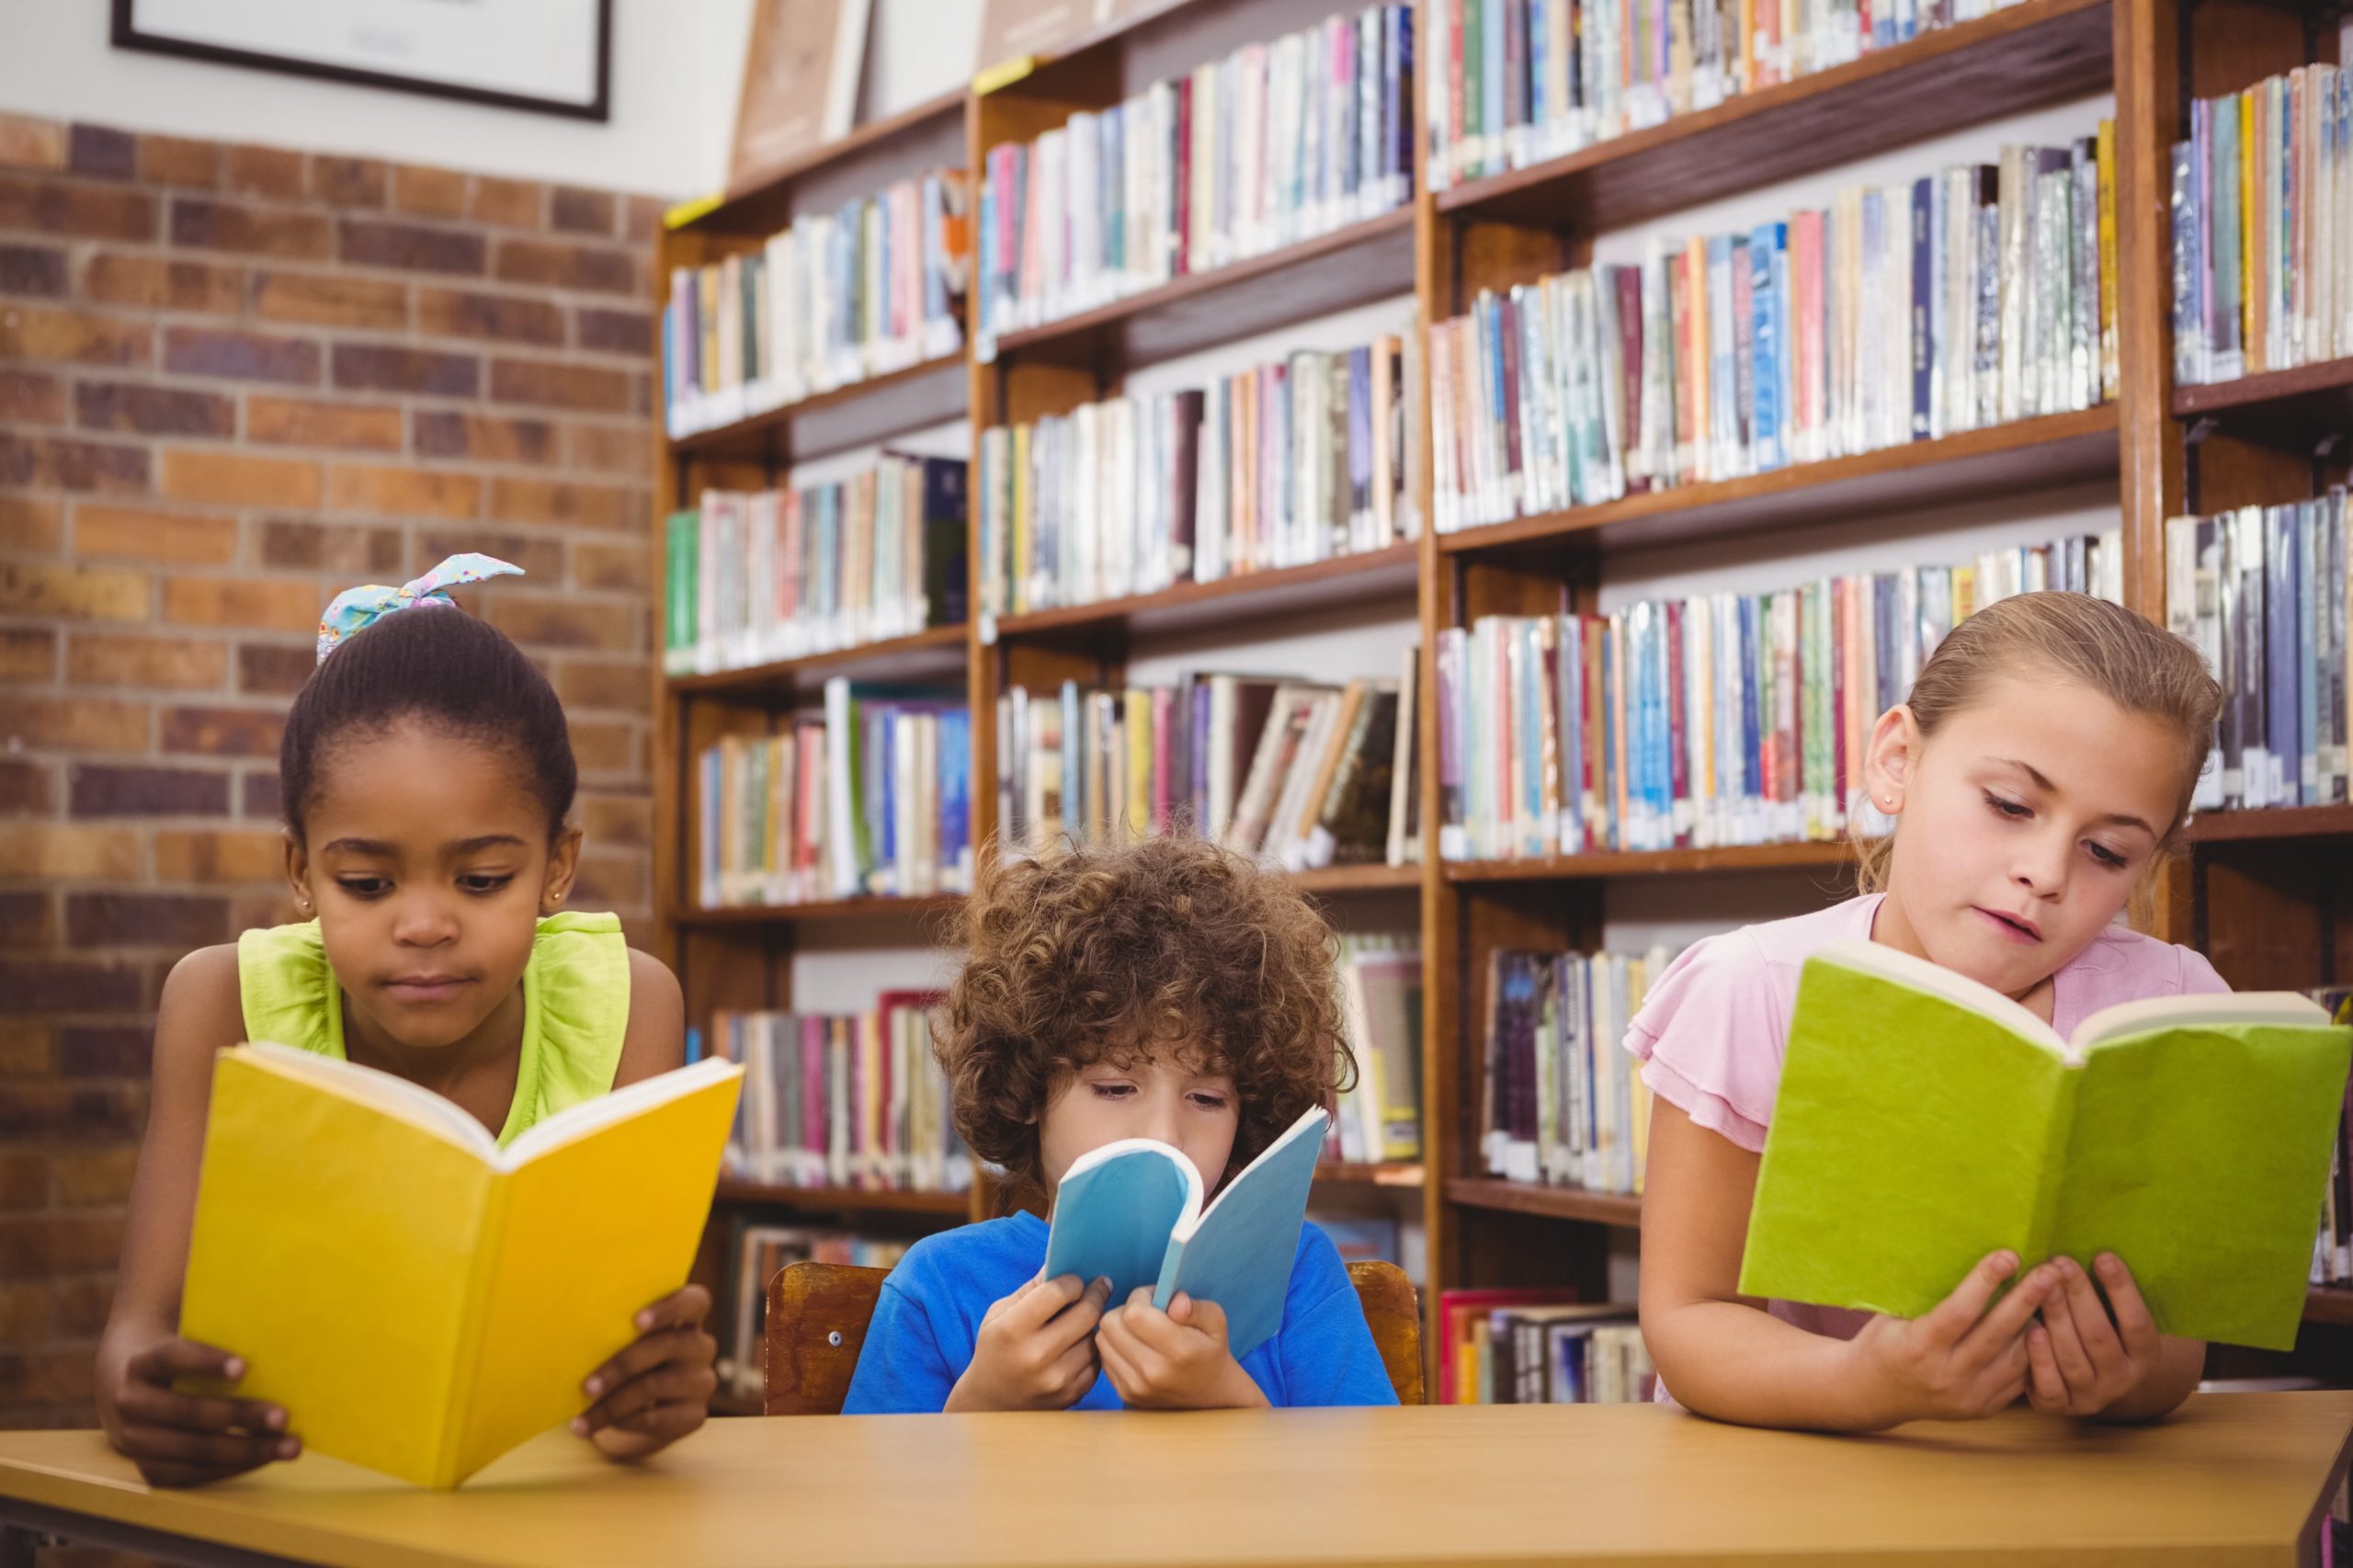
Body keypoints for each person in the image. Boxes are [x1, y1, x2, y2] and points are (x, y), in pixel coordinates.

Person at [96, 556, 713, 1484]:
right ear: (301, 872)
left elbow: (644, 1362)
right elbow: (130, 1342)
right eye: (367, 883)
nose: (424, 924)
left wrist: (658, 1396)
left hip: (544, 1516)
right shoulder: (217, 1002)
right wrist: (142, 1398)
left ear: (557, 865)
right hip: (282, 1505)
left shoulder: (630, 1002)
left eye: (481, 879)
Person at [1635, 591, 2224, 1429]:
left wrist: (2123, 1376)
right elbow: (1686, 1323)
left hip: (2057, 1495)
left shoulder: (2174, 1009)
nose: (2046, 872)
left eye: (2107, 851)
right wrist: (1864, 1385)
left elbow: (2175, 1361)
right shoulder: (1752, 988)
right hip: (1792, 1483)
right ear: (1897, 759)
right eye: (2011, 806)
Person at [844, 833, 1398, 1412]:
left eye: (1207, 1099)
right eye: (1114, 1088)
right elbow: (878, 1498)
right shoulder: (938, 1285)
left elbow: (1366, 1490)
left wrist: (1229, 1403)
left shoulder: (1296, 1273)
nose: (1164, 1135)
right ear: (1029, 1090)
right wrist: (982, 1404)